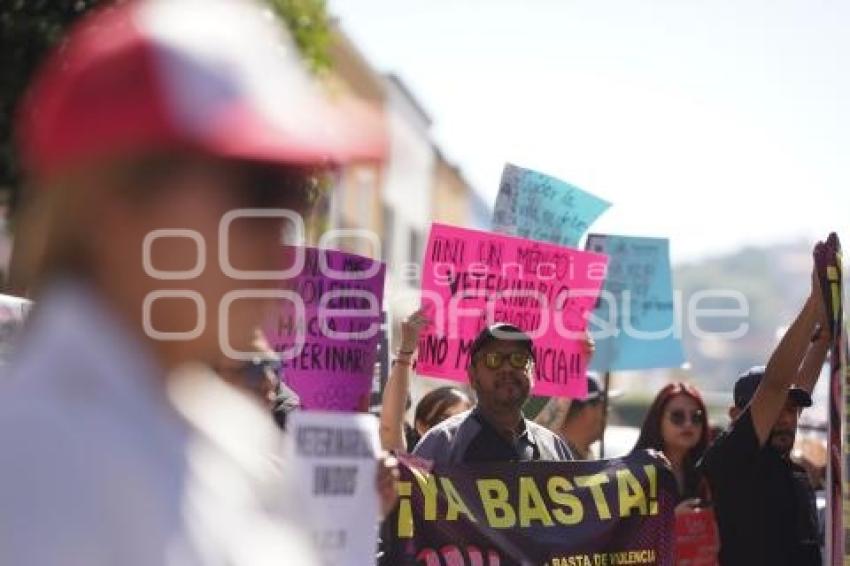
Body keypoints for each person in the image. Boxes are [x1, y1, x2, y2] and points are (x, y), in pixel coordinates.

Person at [0, 1, 384, 564]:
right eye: (259, 185)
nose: (281, 231)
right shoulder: (34, 464)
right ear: (114, 202)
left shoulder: (230, 443)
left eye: (294, 191)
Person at [697, 241, 833, 566]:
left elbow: (795, 386)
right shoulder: (729, 460)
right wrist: (814, 303)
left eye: (792, 410)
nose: (785, 418)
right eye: (774, 410)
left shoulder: (789, 468)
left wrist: (826, 333)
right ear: (736, 415)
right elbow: (775, 386)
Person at [413, 323, 573, 464]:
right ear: (473, 376)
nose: (507, 368)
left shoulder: (554, 448)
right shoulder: (438, 445)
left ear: (532, 374)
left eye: (519, 359)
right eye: (493, 359)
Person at [379, 308, 472, 452]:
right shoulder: (412, 462)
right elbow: (389, 428)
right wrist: (407, 349)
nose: (454, 428)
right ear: (421, 427)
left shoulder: (481, 459)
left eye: (464, 422)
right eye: (444, 419)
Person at [632, 383, 711, 513]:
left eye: (696, 417)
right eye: (677, 416)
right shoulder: (635, 473)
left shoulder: (707, 474)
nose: (688, 424)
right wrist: (672, 518)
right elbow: (625, 525)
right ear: (658, 421)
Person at [557, 374, 610, 460]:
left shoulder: (556, 451)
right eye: (604, 407)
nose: (607, 413)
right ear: (588, 410)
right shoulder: (559, 458)